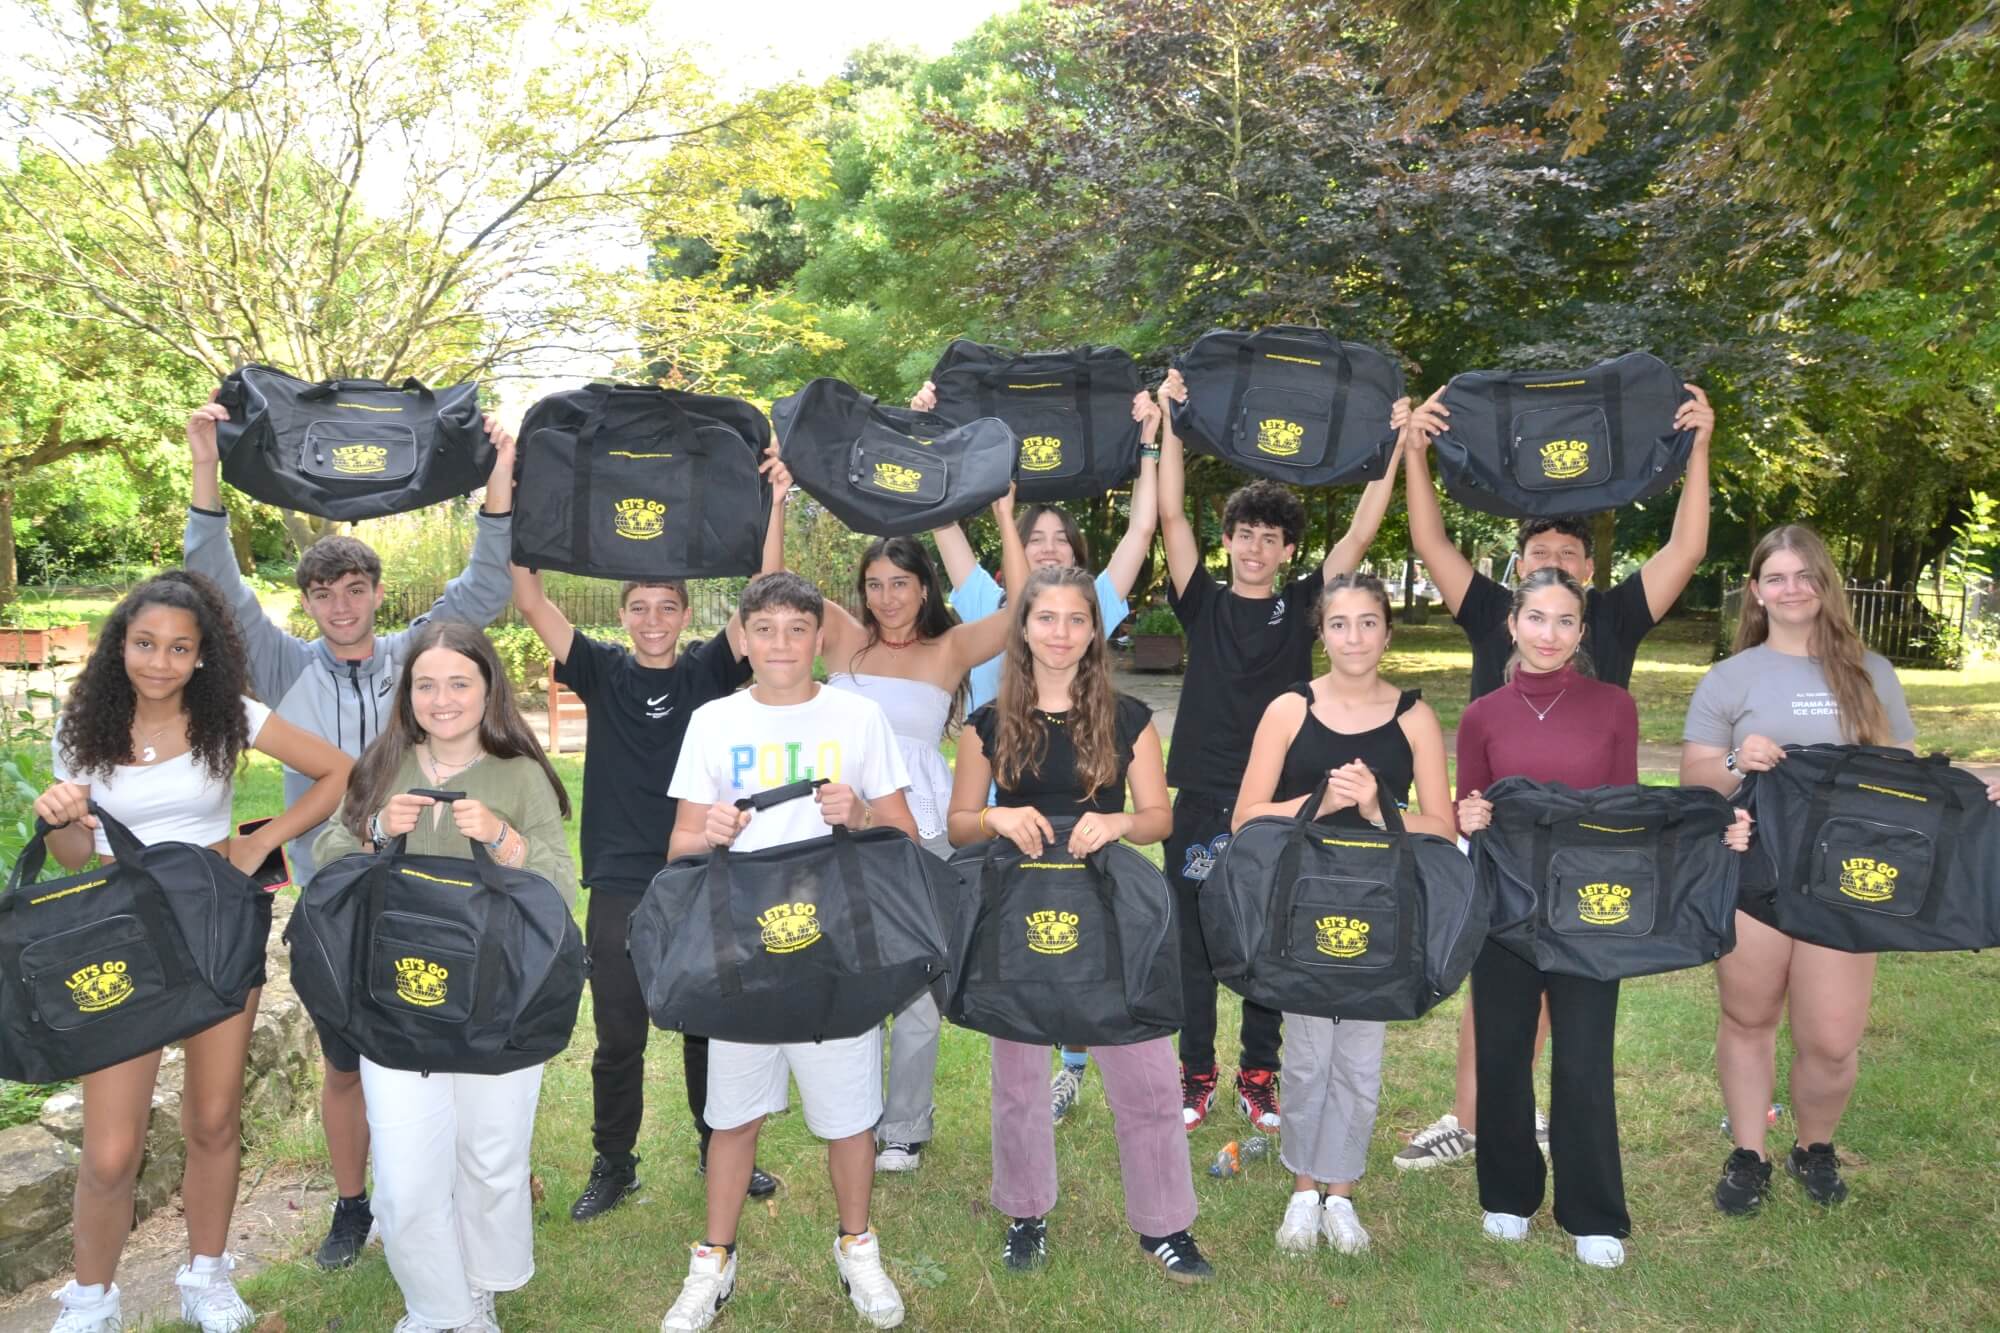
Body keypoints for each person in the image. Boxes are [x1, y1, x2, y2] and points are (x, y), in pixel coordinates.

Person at [182, 398, 519, 1267]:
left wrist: (499, 474)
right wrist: (206, 463)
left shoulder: (417, 656)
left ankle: (453, 1187)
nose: (340, 605)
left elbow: (485, 588)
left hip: (431, 883)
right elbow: (214, 582)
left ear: (375, 592)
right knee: (345, 1063)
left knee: (446, 1040)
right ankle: (352, 1204)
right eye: (324, 593)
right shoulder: (283, 666)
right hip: (335, 894)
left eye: (355, 589)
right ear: (309, 601)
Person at [1392, 383, 1717, 1169]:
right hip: (1498, 832)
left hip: (1585, 839)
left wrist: (1699, 447)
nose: (1554, 568)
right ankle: (1473, 1115)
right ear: (1519, 577)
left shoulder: (1612, 616)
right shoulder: (1490, 610)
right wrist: (1415, 452)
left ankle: (1514, 1111)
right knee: (1495, 987)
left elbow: (1685, 550)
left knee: (1566, 985)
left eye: (1569, 558)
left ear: (1589, 572)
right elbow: (1431, 542)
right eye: (1540, 556)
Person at [38, 571, 351, 1333]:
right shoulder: (80, 730)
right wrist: (62, 819)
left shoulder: (229, 715)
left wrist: (260, 842)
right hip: (121, 941)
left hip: (216, 928)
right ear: (120, 645)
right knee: (110, 1150)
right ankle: (92, 1300)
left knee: (213, 1119)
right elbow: (74, 858)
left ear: (202, 654)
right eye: (145, 643)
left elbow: (337, 771)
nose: (160, 661)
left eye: (180, 647)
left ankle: (206, 1276)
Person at [509, 445, 793, 1220]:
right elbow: (529, 598)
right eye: (640, 606)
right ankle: (614, 1162)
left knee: (706, 1024)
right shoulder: (601, 670)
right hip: (619, 877)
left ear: (686, 614)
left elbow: (763, 591)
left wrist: (774, 504)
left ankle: (717, 1147)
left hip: (700, 868)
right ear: (623, 614)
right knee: (619, 1032)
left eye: (668, 606)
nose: (654, 620)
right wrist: (521, 497)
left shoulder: (707, 672)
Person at [1454, 568, 1751, 1269]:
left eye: (1565, 620)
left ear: (1582, 632)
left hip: (1591, 909)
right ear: (1512, 624)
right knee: (1503, 1052)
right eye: (1536, 617)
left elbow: (1629, 815)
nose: (1549, 633)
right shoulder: (1481, 715)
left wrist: (1714, 827)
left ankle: (1591, 1211)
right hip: (1504, 908)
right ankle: (1507, 1195)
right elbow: (1467, 811)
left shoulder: (1614, 706)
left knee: (1585, 1056)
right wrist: (1470, 816)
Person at [659, 571, 920, 1332]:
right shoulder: (713, 721)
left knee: (849, 1118)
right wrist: (707, 833)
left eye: (797, 629)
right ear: (742, 638)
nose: (781, 643)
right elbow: (677, 848)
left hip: (835, 946)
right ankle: (715, 1256)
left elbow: (903, 836)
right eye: (765, 629)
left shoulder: (857, 717)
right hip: (742, 947)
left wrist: (861, 811)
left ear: (818, 637)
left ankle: (856, 1244)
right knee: (733, 1116)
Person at [1155, 368, 1408, 1133]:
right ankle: (1195, 1072)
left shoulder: (1303, 608)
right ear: (1228, 540)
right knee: (1196, 941)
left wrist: (1394, 444)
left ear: (1289, 548)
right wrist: (1171, 422)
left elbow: (1359, 535)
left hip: (1283, 802)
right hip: (1202, 798)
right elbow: (1170, 513)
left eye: (1272, 537)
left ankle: (1258, 1074)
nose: (1257, 546)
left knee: (1270, 937)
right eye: (1246, 534)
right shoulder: (1202, 602)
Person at [945, 565, 1213, 1284]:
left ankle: (1165, 1224)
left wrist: (1120, 821)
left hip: (1108, 906)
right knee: (1019, 1079)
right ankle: (1025, 1211)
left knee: (1147, 1071)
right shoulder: (988, 723)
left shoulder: (1129, 718)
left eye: (1075, 618)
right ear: (1023, 628)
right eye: (1046, 618)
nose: (1060, 633)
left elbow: (1159, 819)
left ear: (1095, 629)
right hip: (1018, 911)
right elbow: (960, 823)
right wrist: (995, 817)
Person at [312, 621, 577, 1333]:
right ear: (407, 693)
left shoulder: (520, 774)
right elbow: (327, 859)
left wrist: (503, 839)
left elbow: (560, 886)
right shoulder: (382, 764)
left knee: (490, 1160)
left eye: (460, 682)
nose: (442, 698)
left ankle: (479, 1291)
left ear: (489, 688)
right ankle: (438, 1307)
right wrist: (374, 830)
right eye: (426, 684)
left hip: (498, 998)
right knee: (404, 1178)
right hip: (396, 998)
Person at [919, 382, 1163, 1124]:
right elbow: (942, 520)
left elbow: (1142, 530)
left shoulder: (1090, 605)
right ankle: (1044, 1066)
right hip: (1011, 805)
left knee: (1089, 949)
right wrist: (930, 433)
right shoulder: (983, 600)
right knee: (1032, 954)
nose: (1050, 547)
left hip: (1084, 805)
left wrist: (1152, 445)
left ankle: (1077, 1061)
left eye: (1061, 538)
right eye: (1036, 537)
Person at [1682, 524, 1925, 1213]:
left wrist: (1977, 787)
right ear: (1756, 591)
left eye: (1804, 574)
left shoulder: (1870, 672)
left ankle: (1814, 1146)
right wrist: (1739, 760)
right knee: (1748, 1016)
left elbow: (1905, 774)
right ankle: (1749, 1153)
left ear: (1825, 583)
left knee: (1832, 1038)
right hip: (1754, 871)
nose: (1792, 589)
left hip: (1847, 877)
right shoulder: (1730, 678)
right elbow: (1696, 782)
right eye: (1776, 577)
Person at [1231, 573, 1455, 1257]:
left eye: (1367, 623)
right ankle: (1304, 1190)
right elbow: (1245, 817)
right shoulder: (1289, 709)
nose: (1353, 637)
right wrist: (1320, 804)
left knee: (1359, 1057)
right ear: (1320, 634)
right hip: (1302, 909)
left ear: (1387, 634)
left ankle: (1342, 1193)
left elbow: (1442, 827)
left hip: (1380, 911)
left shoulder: (1413, 717)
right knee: (1306, 1057)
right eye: (1339, 623)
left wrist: (1377, 808)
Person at [816, 489, 1026, 1175]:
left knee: (915, 980)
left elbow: (1021, 612)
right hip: (839, 824)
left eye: (900, 583)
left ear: (924, 587)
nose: (886, 597)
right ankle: (854, 1113)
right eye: (874, 584)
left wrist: (1003, 517)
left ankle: (904, 1126)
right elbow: (771, 586)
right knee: (850, 973)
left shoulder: (949, 649)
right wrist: (780, 501)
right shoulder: (843, 639)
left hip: (920, 830)